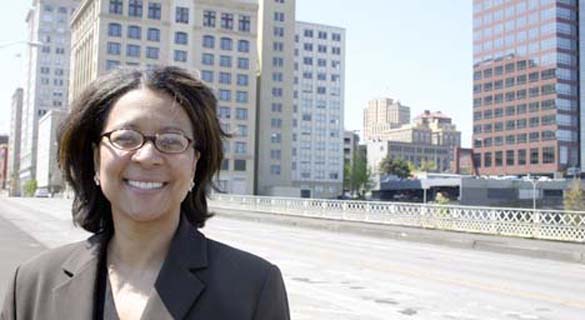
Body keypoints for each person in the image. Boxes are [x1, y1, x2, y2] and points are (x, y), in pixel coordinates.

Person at [0, 66, 290, 320]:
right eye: (125, 138)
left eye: (172, 140)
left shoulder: (253, 287)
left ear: (195, 164)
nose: (147, 156)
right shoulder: (30, 286)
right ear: (96, 160)